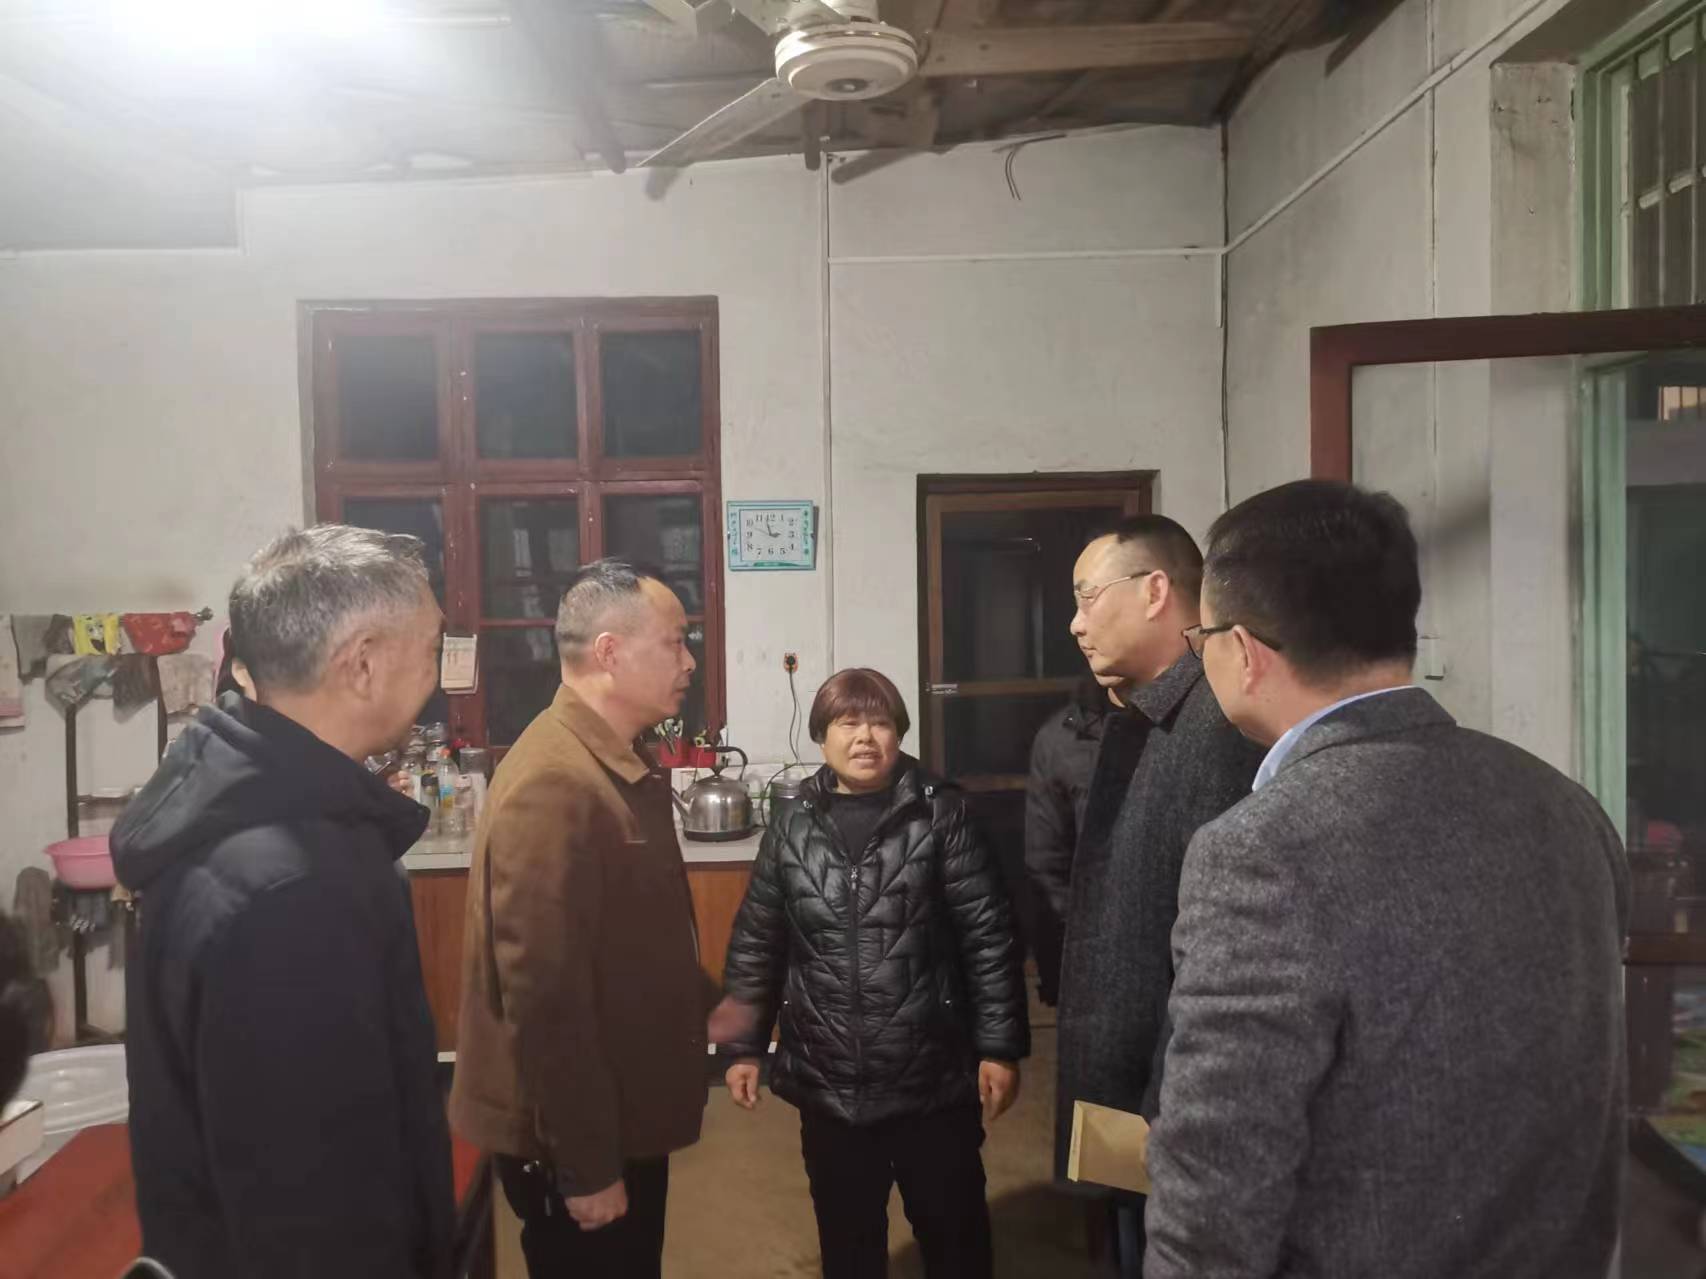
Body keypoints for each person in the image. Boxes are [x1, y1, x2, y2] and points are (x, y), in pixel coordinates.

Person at [1146, 480, 1628, 1279]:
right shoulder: (1567, 806)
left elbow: (1216, 1187)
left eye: (1202, 639)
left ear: (1244, 651)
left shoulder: (1262, 849)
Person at [111, 526, 454, 1279]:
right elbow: (316, 1209)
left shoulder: (247, 814)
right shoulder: (292, 891)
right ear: (362, 663)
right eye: (431, 647)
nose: (437, 672)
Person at [719, 667, 1030, 1279]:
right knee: (849, 1248)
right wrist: (743, 1047)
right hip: (829, 1083)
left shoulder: (941, 815)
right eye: (848, 722)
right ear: (822, 735)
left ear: (899, 733)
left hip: (931, 1079)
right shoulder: (792, 824)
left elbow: (988, 937)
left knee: (956, 1242)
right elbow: (758, 941)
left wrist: (999, 1047)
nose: (865, 737)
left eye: (880, 722)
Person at [450, 559, 714, 1279]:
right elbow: (545, 998)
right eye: (675, 642)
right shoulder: (556, 780)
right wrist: (586, 1165)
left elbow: (621, 938)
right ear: (609, 652)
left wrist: (710, 1003)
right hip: (575, 1133)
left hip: (618, 1104)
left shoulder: (607, 761)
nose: (689, 662)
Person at [1057, 515, 1263, 1275]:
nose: (1076, 623)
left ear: (1154, 592)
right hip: (1131, 1083)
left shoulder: (1216, 725)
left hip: (1167, 1102)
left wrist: (1165, 1111)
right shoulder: (1149, 711)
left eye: (1087, 597)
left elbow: (1218, 953)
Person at [1023, 673, 1124, 1006]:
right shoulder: (1060, 739)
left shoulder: (1186, 719)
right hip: (1097, 950)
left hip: (1184, 940)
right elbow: (1046, 865)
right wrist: (1064, 966)